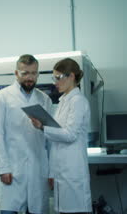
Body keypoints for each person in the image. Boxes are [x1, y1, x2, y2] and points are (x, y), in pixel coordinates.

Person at [0, 54, 52, 214]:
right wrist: (3, 168)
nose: (29, 78)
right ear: (16, 73)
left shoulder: (44, 99)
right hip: (13, 168)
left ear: (38, 74)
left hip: (38, 168)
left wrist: (52, 171)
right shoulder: (2, 97)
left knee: (37, 209)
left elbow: (50, 139)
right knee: (10, 210)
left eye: (33, 73)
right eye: (25, 73)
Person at [29, 58, 92, 213]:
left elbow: (70, 134)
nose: (55, 82)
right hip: (61, 172)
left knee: (74, 209)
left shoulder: (78, 101)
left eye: (58, 78)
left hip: (72, 171)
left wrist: (43, 127)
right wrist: (52, 172)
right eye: (54, 78)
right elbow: (56, 137)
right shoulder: (63, 101)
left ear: (71, 76)